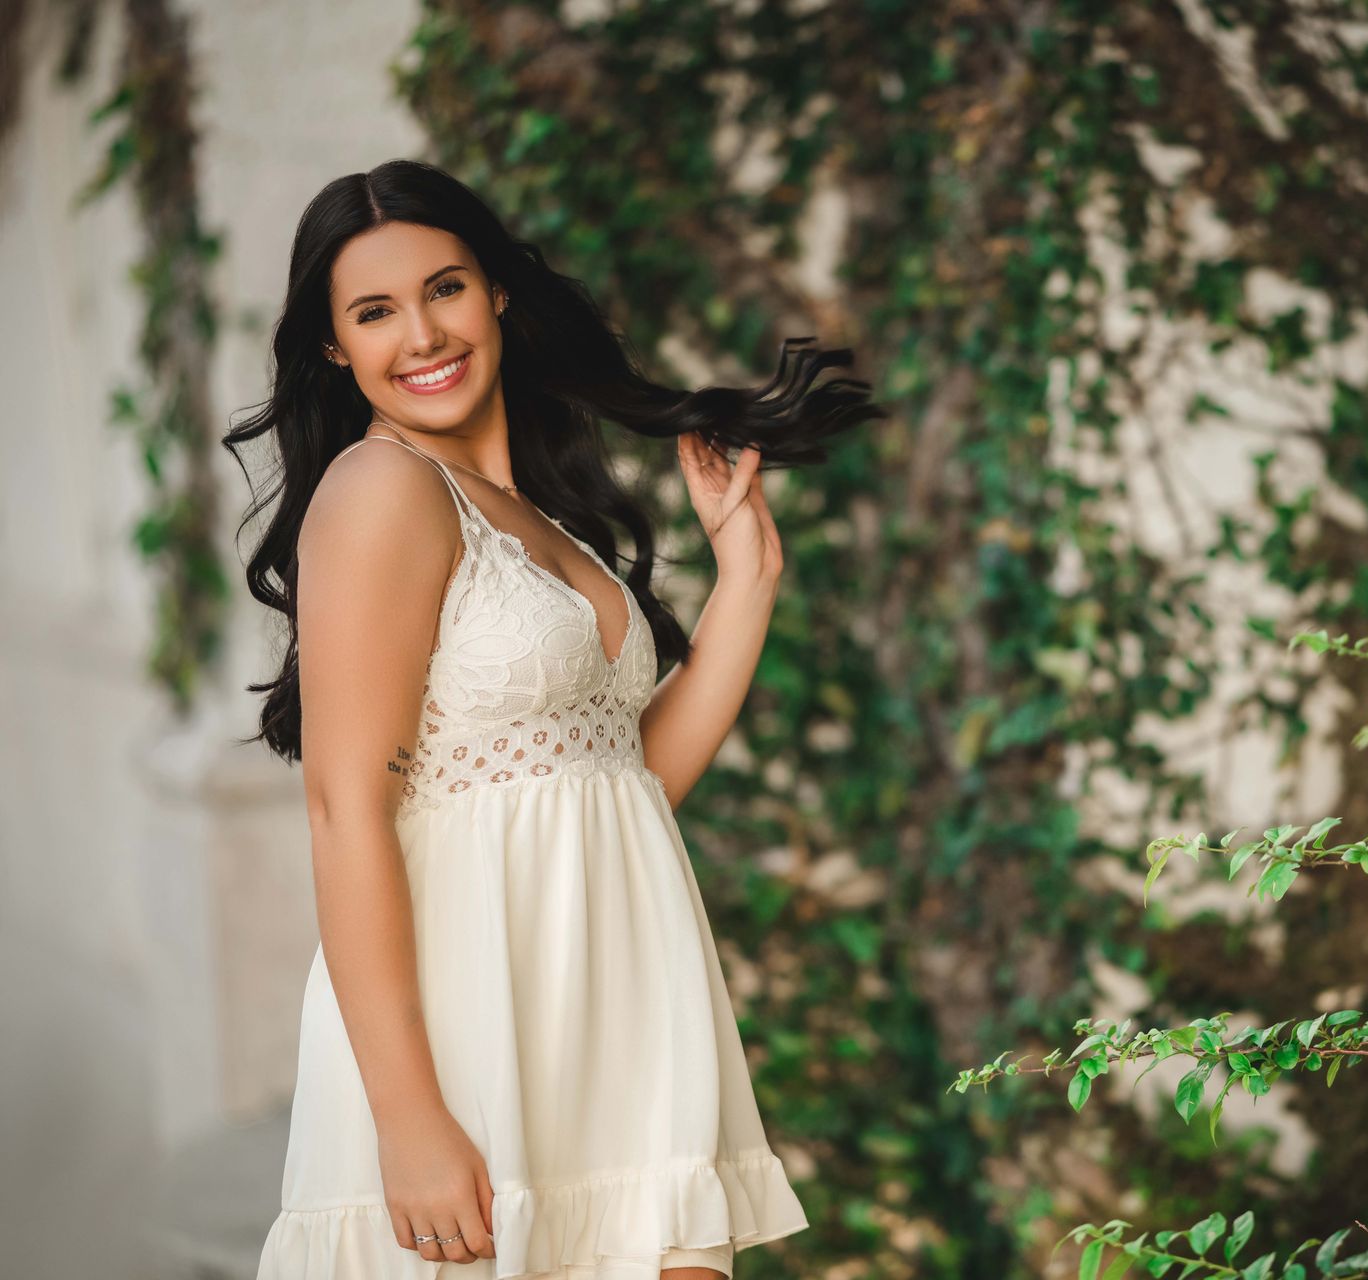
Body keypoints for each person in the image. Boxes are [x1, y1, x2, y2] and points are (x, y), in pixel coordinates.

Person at [226, 158, 881, 1279]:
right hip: (471, 1032)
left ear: (498, 297)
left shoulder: (531, 510)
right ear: (335, 347)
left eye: (445, 288)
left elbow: (623, 782)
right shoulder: (381, 491)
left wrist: (747, 571)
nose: (422, 333)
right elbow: (346, 813)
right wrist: (409, 1115)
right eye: (375, 311)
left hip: (618, 1013)